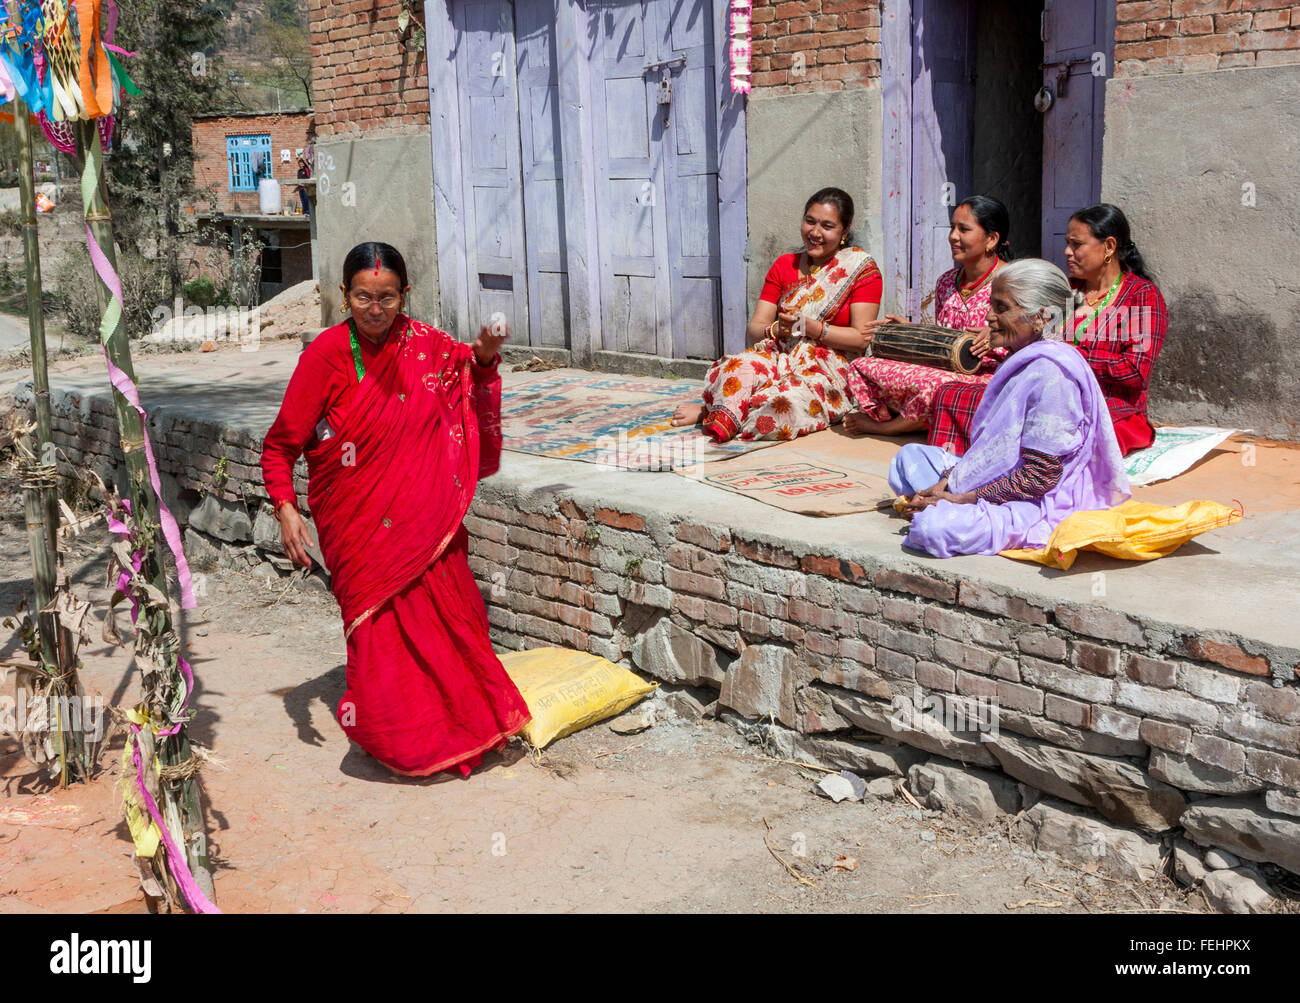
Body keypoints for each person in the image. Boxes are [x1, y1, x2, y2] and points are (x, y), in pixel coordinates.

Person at [260, 241, 531, 777]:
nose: (376, 308)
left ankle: (465, 731)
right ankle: (399, 742)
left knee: (452, 621)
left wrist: (483, 354)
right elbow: (280, 445)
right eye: (364, 297)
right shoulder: (326, 355)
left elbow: (470, 376)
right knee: (379, 633)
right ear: (344, 295)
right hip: (359, 524)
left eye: (387, 297)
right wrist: (286, 508)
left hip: (427, 520)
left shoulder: (426, 344)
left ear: (405, 295)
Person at [890, 258, 1130, 558]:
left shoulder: (1053, 375)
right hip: (1000, 479)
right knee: (908, 458)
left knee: (932, 529)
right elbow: (991, 450)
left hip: (1040, 500)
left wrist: (962, 498)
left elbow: (1039, 477)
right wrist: (945, 483)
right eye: (992, 305)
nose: (989, 317)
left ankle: (952, 511)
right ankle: (946, 501)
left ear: (1041, 317)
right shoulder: (1024, 357)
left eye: (1001, 308)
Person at [928, 203, 1168, 456]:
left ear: (1108, 247)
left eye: (1077, 244)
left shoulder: (1142, 296)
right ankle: (954, 469)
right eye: (1067, 243)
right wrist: (1004, 334)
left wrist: (1066, 354)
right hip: (1048, 393)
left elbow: (1134, 372)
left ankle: (1020, 472)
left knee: (1057, 429)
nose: (1067, 251)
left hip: (1107, 406)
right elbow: (1035, 336)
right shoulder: (1067, 292)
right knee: (951, 394)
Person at [671, 187, 881, 441]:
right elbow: (755, 329)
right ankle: (728, 411)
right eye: (809, 221)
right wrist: (777, 330)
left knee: (781, 405)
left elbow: (861, 339)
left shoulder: (861, 270)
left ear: (844, 232)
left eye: (827, 226)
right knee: (740, 367)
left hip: (829, 369)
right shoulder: (785, 264)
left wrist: (810, 327)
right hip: (779, 353)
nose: (815, 232)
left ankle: (716, 412)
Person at [844, 195, 1012, 437]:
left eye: (964, 229)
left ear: (992, 238)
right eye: (953, 227)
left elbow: (1037, 333)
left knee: (934, 386)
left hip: (990, 376)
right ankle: (914, 417)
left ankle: (889, 427)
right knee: (862, 366)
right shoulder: (946, 281)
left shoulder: (1012, 281)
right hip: (946, 369)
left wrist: (998, 336)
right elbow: (943, 338)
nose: (953, 236)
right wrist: (911, 332)